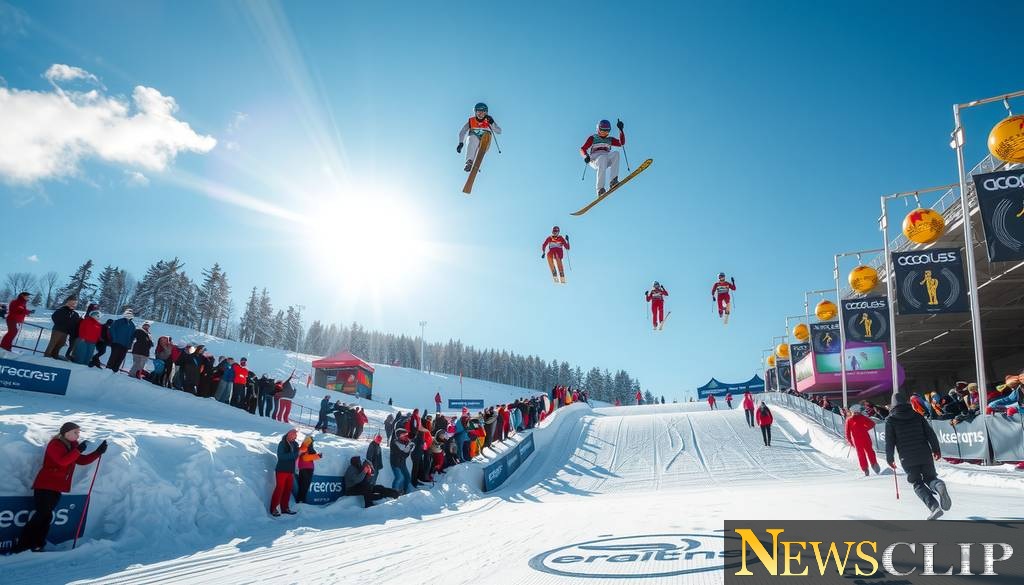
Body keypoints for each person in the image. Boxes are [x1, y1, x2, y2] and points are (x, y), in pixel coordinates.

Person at [14, 422, 107, 552]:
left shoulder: (72, 447)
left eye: (78, 432)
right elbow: (63, 461)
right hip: (45, 485)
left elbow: (81, 460)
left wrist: (98, 452)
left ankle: (38, 544)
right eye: (76, 432)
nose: (78, 435)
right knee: (41, 515)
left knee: (46, 516)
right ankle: (23, 545)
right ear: (66, 433)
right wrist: (78, 450)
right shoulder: (55, 444)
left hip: (56, 487)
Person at [886, 393, 951, 520]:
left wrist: (890, 458)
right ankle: (938, 485)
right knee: (930, 477)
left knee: (917, 483)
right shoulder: (917, 415)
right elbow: (930, 433)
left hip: (907, 457)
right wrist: (936, 449)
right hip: (924, 454)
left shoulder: (891, 420)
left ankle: (934, 507)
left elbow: (890, 441)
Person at [580, 119, 625, 196]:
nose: (604, 133)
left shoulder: (609, 139)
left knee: (616, 154)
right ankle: (600, 189)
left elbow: (621, 143)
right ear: (598, 129)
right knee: (602, 158)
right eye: (602, 131)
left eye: (607, 131)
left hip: (606, 157)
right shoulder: (593, 138)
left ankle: (613, 181)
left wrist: (621, 130)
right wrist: (585, 156)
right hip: (595, 159)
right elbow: (582, 148)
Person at [457, 102, 501, 172]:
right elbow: (463, 131)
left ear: (486, 113)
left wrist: (492, 123)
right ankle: (469, 162)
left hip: (486, 139)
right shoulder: (471, 121)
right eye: (478, 112)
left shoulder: (488, 120)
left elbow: (499, 131)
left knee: (484, 135)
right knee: (472, 138)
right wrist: (461, 143)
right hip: (475, 139)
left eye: (483, 112)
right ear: (475, 112)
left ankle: (479, 152)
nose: (480, 114)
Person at [270, 429, 301, 516]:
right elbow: (281, 457)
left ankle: (285, 508)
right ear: (288, 435)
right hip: (282, 470)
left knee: (287, 490)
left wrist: (301, 451)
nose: (294, 437)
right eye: (293, 435)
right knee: (279, 489)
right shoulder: (282, 443)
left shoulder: (295, 444)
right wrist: (296, 453)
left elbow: (296, 456)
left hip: (290, 471)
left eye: (295, 436)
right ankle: (273, 509)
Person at [846, 405, 880, 476]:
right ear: (852, 412)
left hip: (866, 438)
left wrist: (865, 429)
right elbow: (847, 432)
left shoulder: (862, 417)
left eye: (857, 412)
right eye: (854, 413)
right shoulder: (849, 420)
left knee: (870, 451)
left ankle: (874, 464)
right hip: (857, 440)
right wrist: (850, 441)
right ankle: (865, 469)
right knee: (861, 454)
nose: (856, 414)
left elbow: (872, 424)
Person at [295, 436, 321, 505]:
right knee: (304, 485)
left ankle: (301, 500)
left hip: (307, 468)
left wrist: (316, 456)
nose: (312, 443)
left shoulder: (308, 448)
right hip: (305, 468)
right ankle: (301, 500)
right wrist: (317, 456)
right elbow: (305, 458)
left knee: (303, 485)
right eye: (312, 441)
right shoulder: (304, 447)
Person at [389, 429, 415, 495]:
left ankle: (404, 491)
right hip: (395, 463)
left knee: (407, 477)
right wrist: (407, 449)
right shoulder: (394, 443)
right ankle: (393, 493)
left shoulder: (406, 442)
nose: (405, 436)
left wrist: (409, 449)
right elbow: (400, 454)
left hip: (402, 463)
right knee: (399, 477)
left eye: (406, 435)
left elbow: (405, 455)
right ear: (398, 436)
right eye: (403, 435)